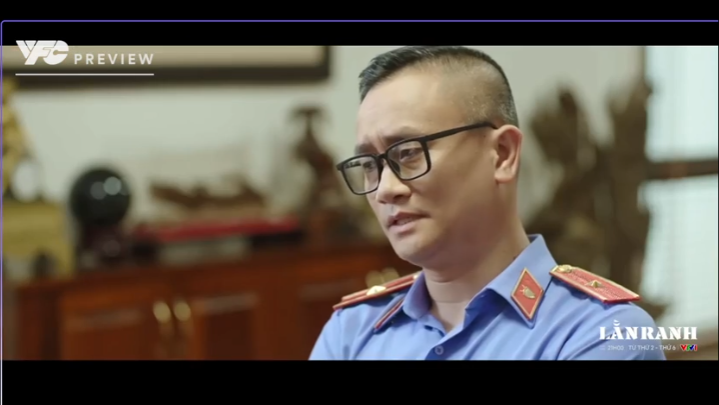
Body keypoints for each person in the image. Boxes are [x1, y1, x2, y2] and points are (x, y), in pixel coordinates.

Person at [309, 46, 666, 360]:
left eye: (409, 153)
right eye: (369, 165)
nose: (385, 190)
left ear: (502, 154)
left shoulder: (602, 334)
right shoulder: (351, 332)